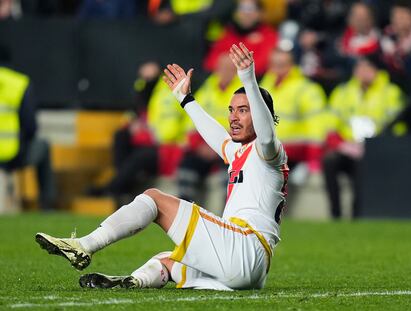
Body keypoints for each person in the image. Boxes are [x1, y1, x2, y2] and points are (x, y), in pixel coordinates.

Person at [35, 43, 289, 291]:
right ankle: (132, 281)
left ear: (260, 114)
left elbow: (266, 135)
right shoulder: (239, 151)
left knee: (154, 198)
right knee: (165, 260)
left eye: (243, 110)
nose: (233, 116)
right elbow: (217, 136)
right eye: (232, 110)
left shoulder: (270, 151)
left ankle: (84, 245)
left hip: (245, 246)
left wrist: (248, 78)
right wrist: (185, 99)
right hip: (250, 267)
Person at [88, 61, 187, 199]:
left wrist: (145, 131)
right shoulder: (141, 90)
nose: (146, 80)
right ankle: (121, 183)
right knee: (121, 136)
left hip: (165, 147)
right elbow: (132, 114)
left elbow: (168, 131)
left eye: (150, 77)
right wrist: (133, 124)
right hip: (146, 140)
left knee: (140, 156)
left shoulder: (168, 94)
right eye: (144, 76)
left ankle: (114, 188)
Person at [323, 54, 404, 219]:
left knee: (362, 166)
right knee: (329, 160)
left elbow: (398, 126)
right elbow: (330, 123)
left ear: (377, 71)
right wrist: (342, 144)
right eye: (359, 68)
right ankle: (335, 213)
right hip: (348, 146)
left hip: (378, 148)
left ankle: (357, 215)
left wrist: (376, 145)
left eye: (368, 68)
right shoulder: (343, 92)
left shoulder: (391, 92)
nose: (363, 72)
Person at [177, 53, 241, 206]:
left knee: (231, 174)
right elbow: (191, 121)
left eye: (229, 68)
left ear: (236, 70)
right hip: (204, 147)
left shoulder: (242, 92)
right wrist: (198, 146)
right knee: (187, 166)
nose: (224, 72)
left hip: (230, 149)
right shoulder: (207, 89)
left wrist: (219, 147)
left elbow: (243, 127)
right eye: (221, 68)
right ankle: (184, 212)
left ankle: (228, 215)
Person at [0, 47, 56, 211]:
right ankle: (46, 204)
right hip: (14, 155)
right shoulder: (19, 83)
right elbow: (30, 125)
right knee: (44, 146)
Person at [260, 48, 327, 182]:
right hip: (267, 149)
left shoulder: (306, 89)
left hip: (294, 149)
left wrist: (312, 157)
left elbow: (317, 124)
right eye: (274, 64)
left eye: (282, 64)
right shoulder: (264, 86)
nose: (277, 69)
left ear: (291, 65)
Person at [203, 0, 278, 76]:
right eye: (242, 9)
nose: (246, 14)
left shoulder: (269, 35)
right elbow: (210, 63)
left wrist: (231, 65)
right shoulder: (227, 33)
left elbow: (263, 65)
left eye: (251, 9)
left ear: (260, 13)